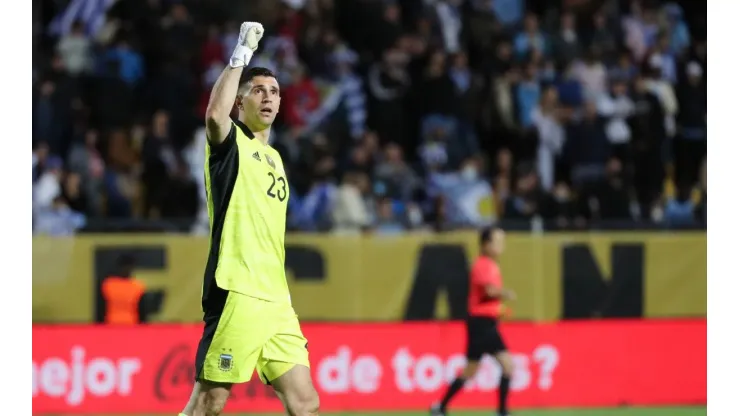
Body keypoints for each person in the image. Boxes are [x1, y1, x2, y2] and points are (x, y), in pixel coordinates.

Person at [179, 22, 319, 416]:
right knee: (209, 403)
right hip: (237, 289)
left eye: (275, 91)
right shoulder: (230, 144)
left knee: (306, 402)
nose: (269, 97)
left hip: (276, 299)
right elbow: (214, 116)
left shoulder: (276, 158)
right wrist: (241, 53)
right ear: (240, 103)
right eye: (258, 90)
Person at [431, 228, 516, 416]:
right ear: (485, 244)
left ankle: (440, 407)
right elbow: (490, 291)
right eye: (497, 242)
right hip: (482, 323)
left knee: (470, 370)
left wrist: (498, 310)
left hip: (482, 321)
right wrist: (506, 294)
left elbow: (485, 297)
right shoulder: (483, 265)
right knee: (508, 365)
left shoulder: (489, 265)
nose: (501, 246)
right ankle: (502, 412)